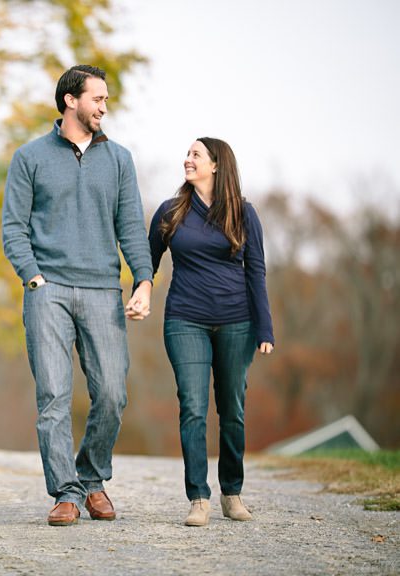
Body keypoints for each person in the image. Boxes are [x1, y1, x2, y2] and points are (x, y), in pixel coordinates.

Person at [2, 65, 153, 527]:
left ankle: (90, 477)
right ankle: (65, 492)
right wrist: (33, 278)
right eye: (97, 99)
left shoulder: (119, 159)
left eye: (106, 100)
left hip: (103, 290)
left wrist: (143, 281)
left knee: (111, 393)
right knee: (53, 395)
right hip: (48, 291)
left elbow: (130, 227)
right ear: (71, 100)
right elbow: (13, 227)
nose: (104, 108)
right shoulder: (30, 157)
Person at [148, 137, 274, 527]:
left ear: (217, 165)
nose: (187, 159)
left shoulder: (243, 212)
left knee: (232, 409)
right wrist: (141, 291)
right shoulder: (171, 211)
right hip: (185, 318)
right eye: (187, 154)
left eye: (195, 154)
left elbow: (256, 271)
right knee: (192, 408)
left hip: (237, 321)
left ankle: (231, 493)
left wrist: (264, 326)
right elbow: (146, 259)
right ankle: (198, 498)